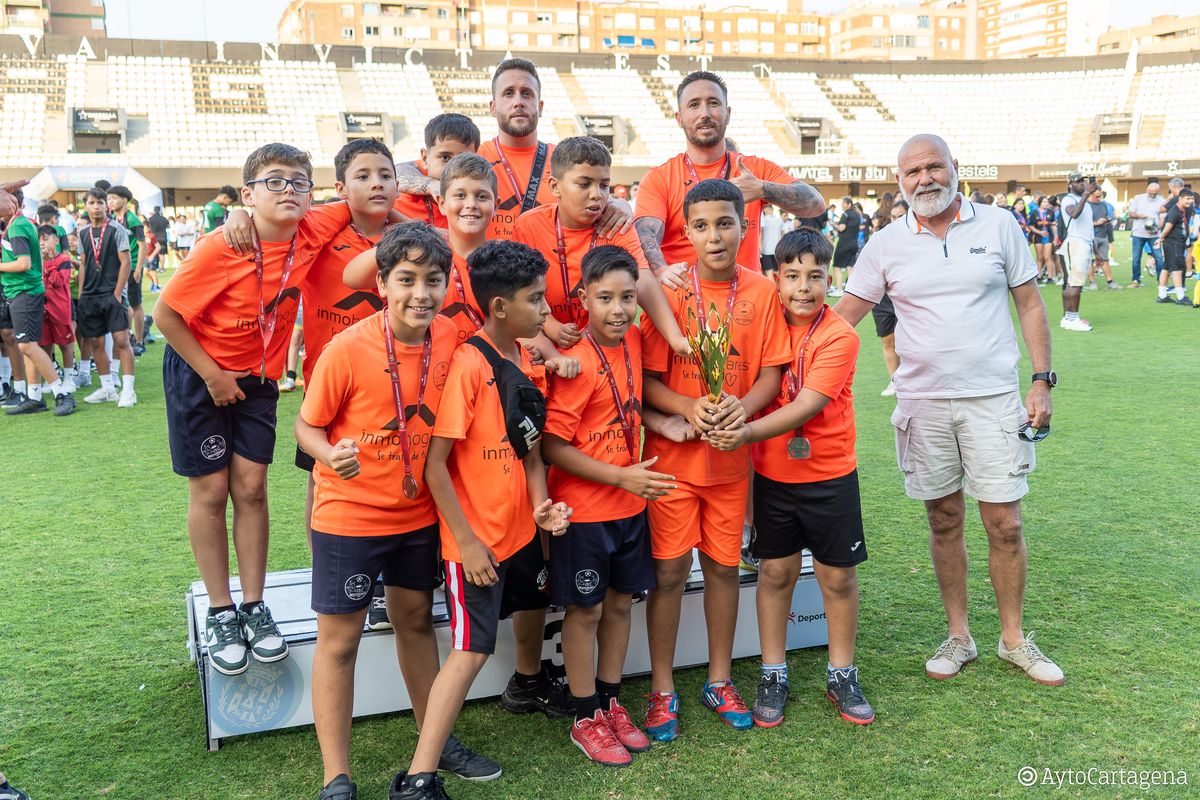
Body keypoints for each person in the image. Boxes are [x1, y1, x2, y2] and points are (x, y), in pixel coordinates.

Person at [836, 133, 1063, 689]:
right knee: (943, 518)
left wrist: (1041, 382)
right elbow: (844, 317)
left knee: (1005, 522)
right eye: (912, 172)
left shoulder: (999, 225)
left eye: (934, 167)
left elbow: (1030, 305)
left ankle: (1014, 639)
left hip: (994, 398)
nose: (925, 179)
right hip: (923, 402)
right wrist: (783, 362)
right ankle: (959, 636)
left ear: (955, 167)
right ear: (899, 181)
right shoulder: (885, 244)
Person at [295, 223, 497, 800]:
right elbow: (305, 426)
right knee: (340, 642)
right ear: (381, 284)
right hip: (349, 519)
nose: (421, 294)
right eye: (406, 280)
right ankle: (336, 776)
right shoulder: (346, 349)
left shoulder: (451, 334)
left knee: (415, 622)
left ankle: (436, 740)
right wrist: (328, 453)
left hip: (417, 516)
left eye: (433, 280)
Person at [155, 143, 353, 677]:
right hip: (202, 375)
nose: (289, 190)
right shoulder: (221, 246)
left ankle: (253, 605)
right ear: (248, 194)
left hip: (259, 382)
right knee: (211, 490)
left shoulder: (311, 226)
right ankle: (221, 611)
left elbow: (370, 195)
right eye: (274, 181)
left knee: (252, 488)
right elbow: (165, 315)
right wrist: (212, 375)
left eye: (299, 182)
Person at [388, 240, 572, 800]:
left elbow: (530, 452)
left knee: (502, 632)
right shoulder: (468, 365)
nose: (546, 310)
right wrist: (466, 542)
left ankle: (526, 687)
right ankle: (418, 778)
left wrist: (542, 508)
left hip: (519, 534)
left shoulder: (524, 358)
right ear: (499, 306)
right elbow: (434, 466)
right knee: (469, 651)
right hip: (476, 545)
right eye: (535, 299)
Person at [639, 179, 790, 741]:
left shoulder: (763, 291)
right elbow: (645, 380)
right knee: (670, 573)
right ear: (686, 232)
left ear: (744, 227)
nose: (714, 236)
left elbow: (771, 374)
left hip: (730, 465)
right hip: (672, 464)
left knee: (724, 569)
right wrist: (687, 406)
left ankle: (719, 680)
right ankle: (661, 689)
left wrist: (738, 411)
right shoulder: (671, 290)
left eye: (725, 223)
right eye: (701, 226)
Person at [708, 227, 874, 727]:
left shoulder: (840, 336)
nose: (804, 287)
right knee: (775, 573)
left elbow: (807, 404)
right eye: (793, 276)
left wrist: (743, 431)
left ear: (830, 280)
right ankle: (773, 672)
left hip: (830, 477)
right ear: (775, 280)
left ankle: (841, 673)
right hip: (773, 477)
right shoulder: (766, 325)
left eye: (815, 277)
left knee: (837, 577)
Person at [542, 245, 663, 766]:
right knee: (586, 610)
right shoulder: (576, 360)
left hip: (629, 507)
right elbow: (552, 446)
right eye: (606, 298)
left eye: (627, 298)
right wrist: (620, 476)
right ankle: (585, 714)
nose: (618, 309)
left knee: (619, 604)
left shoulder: (633, 339)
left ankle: (611, 701)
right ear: (583, 299)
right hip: (584, 513)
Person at [396, 59, 630, 244]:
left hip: (552, 276)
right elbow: (398, 172)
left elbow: (595, 193)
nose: (518, 101)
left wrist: (621, 205)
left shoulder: (565, 160)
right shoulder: (471, 157)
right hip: (487, 276)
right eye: (508, 93)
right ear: (492, 107)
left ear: (540, 107)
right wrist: (431, 185)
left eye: (526, 93)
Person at [634, 71, 823, 292]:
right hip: (681, 306)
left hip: (747, 305)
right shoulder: (659, 179)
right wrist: (660, 270)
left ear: (728, 113)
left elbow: (815, 204)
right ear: (679, 118)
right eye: (694, 105)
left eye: (713, 103)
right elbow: (645, 235)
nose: (705, 113)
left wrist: (762, 189)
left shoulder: (754, 170)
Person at [513, 135, 686, 360]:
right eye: (584, 184)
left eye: (604, 185)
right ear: (555, 186)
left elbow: (643, 280)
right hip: (548, 347)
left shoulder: (617, 225)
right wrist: (551, 326)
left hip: (604, 349)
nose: (597, 194)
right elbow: (521, 291)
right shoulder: (529, 226)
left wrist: (675, 338)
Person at [0, 193, 77, 416]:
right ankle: (34, 397)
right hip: (23, 291)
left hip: (24, 291)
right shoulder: (18, 223)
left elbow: (23, 263)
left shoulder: (17, 226)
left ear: (11, 203)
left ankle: (62, 393)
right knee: (28, 345)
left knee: (27, 346)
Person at [76, 188, 136, 407]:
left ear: (106, 205)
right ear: (86, 206)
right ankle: (107, 388)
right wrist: (81, 294)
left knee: (122, 340)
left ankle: (128, 390)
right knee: (96, 342)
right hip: (90, 295)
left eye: (100, 202)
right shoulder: (83, 233)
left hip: (112, 294)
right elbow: (83, 263)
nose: (96, 207)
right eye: (92, 203)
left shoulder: (116, 229)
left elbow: (126, 262)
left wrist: (118, 293)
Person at [393, 113, 479, 230]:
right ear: (425, 158)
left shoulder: (481, 203)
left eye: (463, 159)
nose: (453, 168)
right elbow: (397, 171)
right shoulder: (399, 203)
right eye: (445, 157)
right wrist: (432, 185)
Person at [871, 200, 907, 398]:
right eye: (893, 217)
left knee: (909, 340)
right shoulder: (882, 238)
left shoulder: (921, 240)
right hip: (883, 297)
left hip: (906, 296)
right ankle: (895, 380)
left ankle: (911, 379)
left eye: (901, 216)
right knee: (887, 340)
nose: (896, 220)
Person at [106, 186, 148, 354]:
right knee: (123, 303)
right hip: (119, 267)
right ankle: (128, 336)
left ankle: (140, 341)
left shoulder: (132, 220)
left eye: (114, 198)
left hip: (132, 266)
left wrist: (138, 269)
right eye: (109, 198)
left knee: (135, 304)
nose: (110, 201)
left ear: (124, 200)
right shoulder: (112, 219)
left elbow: (142, 245)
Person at [37, 224, 78, 391]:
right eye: (39, 240)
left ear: (56, 241)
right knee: (45, 344)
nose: (42, 243)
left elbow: (59, 282)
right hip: (42, 308)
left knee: (65, 344)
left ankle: (69, 379)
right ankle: (50, 378)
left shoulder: (64, 260)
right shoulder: (35, 260)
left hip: (60, 309)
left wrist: (49, 263)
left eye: (45, 239)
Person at [1057, 173, 1098, 332]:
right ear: (1070, 184)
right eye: (1078, 181)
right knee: (1076, 283)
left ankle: (1068, 318)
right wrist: (1086, 193)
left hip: (1083, 242)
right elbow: (1074, 214)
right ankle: (1073, 318)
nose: (1082, 183)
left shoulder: (1084, 201)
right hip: (1076, 242)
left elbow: (1088, 228)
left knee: (1072, 282)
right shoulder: (1068, 199)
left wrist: (1096, 250)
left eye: (1083, 181)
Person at [1153, 188, 1194, 305]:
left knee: (1167, 267)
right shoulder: (1174, 212)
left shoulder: (1186, 209)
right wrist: (1160, 239)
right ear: (1180, 198)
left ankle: (1162, 295)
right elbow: (1167, 227)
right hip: (1173, 243)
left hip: (1179, 242)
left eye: (1191, 199)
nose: (1190, 201)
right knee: (1177, 269)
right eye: (1187, 199)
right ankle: (1181, 297)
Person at [1086, 189, 1120, 291]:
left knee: (1105, 260)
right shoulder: (1086, 206)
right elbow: (1083, 223)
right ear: (1091, 195)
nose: (1099, 198)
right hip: (1091, 237)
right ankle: (1092, 283)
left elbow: (1106, 215)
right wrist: (1096, 223)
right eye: (1097, 196)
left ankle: (1110, 282)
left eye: (1100, 196)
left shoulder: (1103, 204)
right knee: (1090, 261)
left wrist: (1107, 220)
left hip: (1103, 235)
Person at [831, 197, 860, 297]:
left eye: (843, 204)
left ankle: (839, 289)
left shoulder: (845, 214)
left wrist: (833, 224)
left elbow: (841, 228)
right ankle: (851, 291)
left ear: (849, 204)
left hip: (844, 244)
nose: (842, 206)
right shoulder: (857, 215)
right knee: (850, 267)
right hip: (854, 244)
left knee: (837, 266)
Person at [1029, 196, 1057, 284]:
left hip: (1048, 237)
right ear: (1040, 203)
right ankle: (1039, 276)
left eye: (1047, 202)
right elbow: (1031, 226)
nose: (1046, 204)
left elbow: (1053, 225)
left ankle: (1050, 277)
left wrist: (1055, 238)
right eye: (1044, 202)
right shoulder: (1034, 212)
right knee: (1039, 257)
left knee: (1047, 257)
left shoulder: (1050, 212)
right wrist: (1040, 232)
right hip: (1038, 237)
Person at [760, 204, 784, 275]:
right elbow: (783, 234)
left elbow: (761, 234)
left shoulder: (763, 220)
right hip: (777, 250)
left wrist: (760, 247)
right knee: (778, 273)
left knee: (769, 273)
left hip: (766, 250)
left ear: (764, 210)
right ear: (772, 209)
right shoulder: (779, 220)